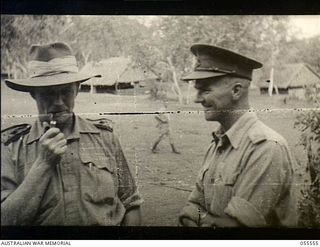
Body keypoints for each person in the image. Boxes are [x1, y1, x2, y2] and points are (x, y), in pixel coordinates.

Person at [1, 42, 143, 225]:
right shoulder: (11, 148)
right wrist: (43, 164)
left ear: (76, 89)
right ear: (33, 94)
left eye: (66, 92)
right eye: (48, 93)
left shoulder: (106, 138)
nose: (59, 102)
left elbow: (131, 203)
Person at [179, 44, 298, 227]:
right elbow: (192, 207)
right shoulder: (217, 145)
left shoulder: (266, 148)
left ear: (236, 91)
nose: (197, 98)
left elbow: (236, 227)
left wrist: (200, 218)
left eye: (205, 90)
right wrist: (203, 218)